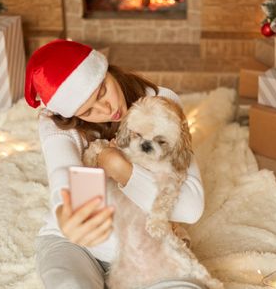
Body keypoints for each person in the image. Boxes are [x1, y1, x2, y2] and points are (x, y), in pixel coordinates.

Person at [25, 40, 206, 289]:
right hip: (76, 246)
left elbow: (190, 207)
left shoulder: (158, 104)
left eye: (102, 92)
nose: (106, 109)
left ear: (107, 70)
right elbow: (62, 173)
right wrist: (66, 213)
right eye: (88, 111)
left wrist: (121, 169)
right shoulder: (57, 123)